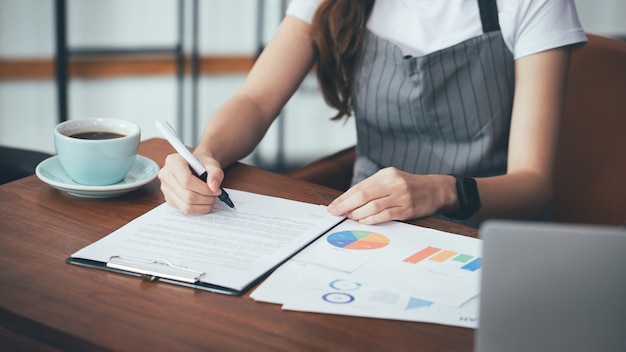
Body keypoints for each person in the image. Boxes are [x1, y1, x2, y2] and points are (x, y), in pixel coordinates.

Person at [158, 0, 587, 227]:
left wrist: (440, 191)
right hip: (367, 225)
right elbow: (254, 102)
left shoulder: (534, 3)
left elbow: (534, 186)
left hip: (484, 233)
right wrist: (205, 154)